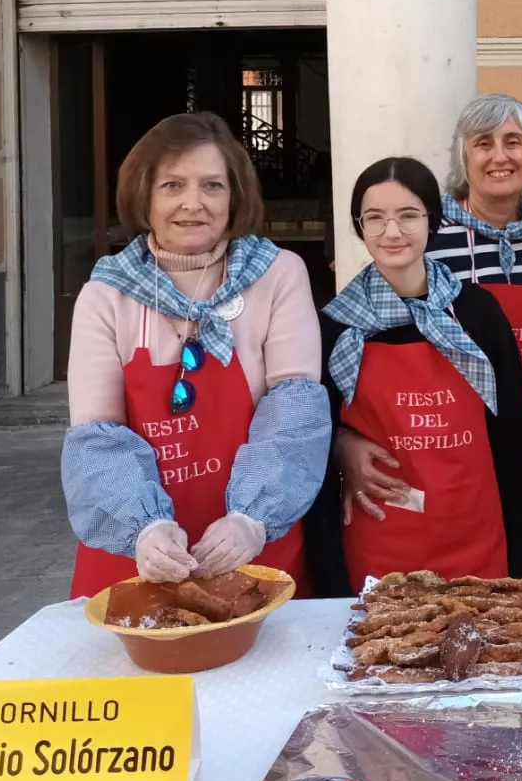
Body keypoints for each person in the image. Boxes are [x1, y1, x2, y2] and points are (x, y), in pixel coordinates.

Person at [61, 112, 329, 597]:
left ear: (235, 196)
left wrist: (252, 519)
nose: (193, 203)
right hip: (138, 562)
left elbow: (295, 408)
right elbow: (96, 434)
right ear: (144, 195)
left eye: (212, 186)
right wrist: (143, 528)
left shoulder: (279, 275)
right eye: (172, 185)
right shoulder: (105, 294)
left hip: (255, 553)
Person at [330, 96, 522, 581]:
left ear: (432, 222)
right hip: (383, 545)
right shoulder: (335, 324)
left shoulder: (478, 312)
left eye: (409, 215)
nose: (392, 231)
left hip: (477, 541)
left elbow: (512, 439)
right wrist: (341, 443)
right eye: (374, 218)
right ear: (359, 227)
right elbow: (315, 432)